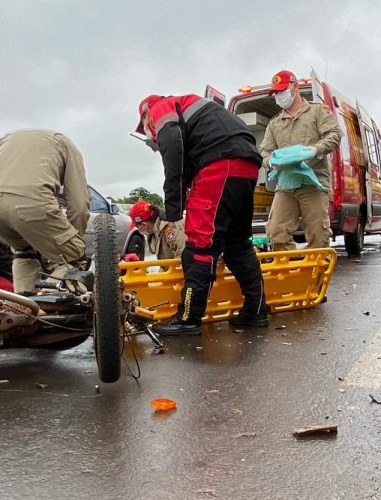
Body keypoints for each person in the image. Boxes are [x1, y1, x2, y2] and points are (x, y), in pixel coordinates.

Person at [137, 94, 268, 335]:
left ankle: (188, 317)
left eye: (146, 128)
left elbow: (174, 151)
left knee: (199, 247)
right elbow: (188, 164)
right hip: (247, 166)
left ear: (146, 116)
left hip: (219, 165)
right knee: (238, 245)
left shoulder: (159, 109)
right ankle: (256, 311)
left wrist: (174, 210)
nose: (149, 134)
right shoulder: (195, 109)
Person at [0, 129, 91, 294]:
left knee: (23, 253)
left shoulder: (7, 141)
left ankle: (23, 308)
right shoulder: (67, 146)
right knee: (72, 255)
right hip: (30, 203)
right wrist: (71, 242)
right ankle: (50, 302)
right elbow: (79, 205)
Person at [260, 70, 342, 251]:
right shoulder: (275, 123)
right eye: (276, 93)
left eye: (282, 91)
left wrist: (315, 149)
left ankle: (315, 276)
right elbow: (265, 151)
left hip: (313, 183)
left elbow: (334, 134)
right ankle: (293, 271)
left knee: (318, 236)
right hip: (286, 184)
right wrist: (270, 161)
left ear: (295, 87)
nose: (279, 96)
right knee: (276, 232)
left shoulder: (317, 112)